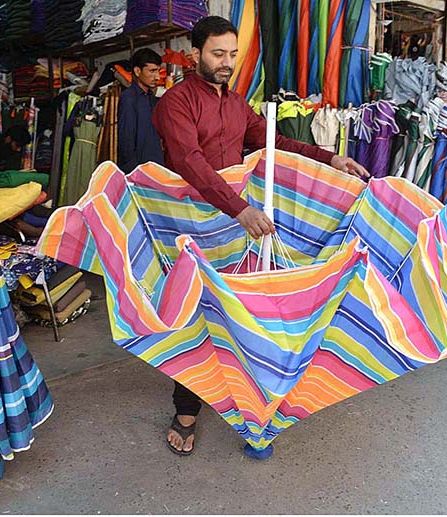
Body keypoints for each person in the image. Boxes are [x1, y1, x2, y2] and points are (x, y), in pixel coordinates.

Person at [151, 15, 369, 456]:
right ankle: (187, 409)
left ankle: (249, 405)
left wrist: (329, 159)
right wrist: (240, 208)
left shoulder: (235, 104)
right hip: (191, 223)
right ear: (196, 54)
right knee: (195, 315)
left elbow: (273, 142)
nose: (227, 62)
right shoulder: (174, 103)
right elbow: (190, 163)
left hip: (234, 227)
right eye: (217, 54)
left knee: (237, 313)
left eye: (233, 54)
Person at [117, 48, 165, 172]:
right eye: (152, 71)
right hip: (139, 171)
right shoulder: (129, 98)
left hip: (156, 166)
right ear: (138, 71)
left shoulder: (151, 98)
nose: (157, 77)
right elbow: (126, 139)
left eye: (158, 71)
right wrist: (134, 173)